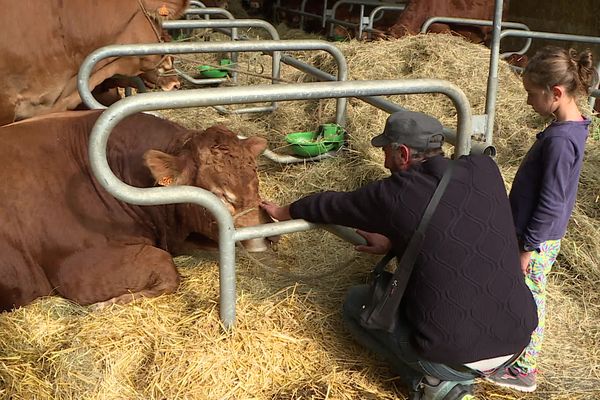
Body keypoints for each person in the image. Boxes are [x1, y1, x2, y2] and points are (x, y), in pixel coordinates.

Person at [261, 110, 538, 400]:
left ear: (403, 153)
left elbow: (329, 205)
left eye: (386, 151)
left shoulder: (394, 194)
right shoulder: (484, 169)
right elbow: (452, 225)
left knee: (356, 304)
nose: (383, 160)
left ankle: (433, 385)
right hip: (517, 341)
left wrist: (283, 212)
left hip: (456, 351)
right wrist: (395, 239)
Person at [486, 46, 597, 392]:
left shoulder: (562, 140)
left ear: (557, 93)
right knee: (525, 293)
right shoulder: (571, 127)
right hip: (538, 233)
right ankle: (512, 351)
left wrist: (527, 247)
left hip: (537, 237)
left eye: (532, 95)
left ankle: (524, 369)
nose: (528, 102)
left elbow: (550, 202)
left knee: (531, 297)